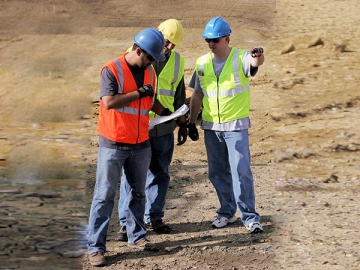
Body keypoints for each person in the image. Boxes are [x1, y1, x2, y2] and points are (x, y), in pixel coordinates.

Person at [87, 28, 170, 267]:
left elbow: (149, 99)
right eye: (151, 57)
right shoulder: (111, 69)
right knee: (104, 196)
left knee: (138, 193)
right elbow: (109, 102)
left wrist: (166, 112)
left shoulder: (150, 71)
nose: (153, 62)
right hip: (113, 144)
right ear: (139, 51)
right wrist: (137, 93)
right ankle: (96, 248)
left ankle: (137, 237)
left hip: (140, 143)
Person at [187, 17, 265, 234]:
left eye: (215, 40)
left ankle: (249, 217)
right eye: (208, 40)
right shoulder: (202, 63)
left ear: (227, 38)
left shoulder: (242, 57)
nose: (211, 44)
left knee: (241, 171)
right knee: (217, 172)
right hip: (211, 128)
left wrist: (259, 55)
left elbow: (255, 64)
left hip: (236, 126)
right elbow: (197, 94)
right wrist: (192, 122)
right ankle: (226, 212)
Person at [117, 19, 187, 241]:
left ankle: (154, 216)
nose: (168, 48)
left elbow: (178, 93)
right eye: (167, 42)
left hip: (164, 128)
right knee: (131, 177)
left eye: (172, 45)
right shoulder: (134, 54)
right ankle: (124, 223)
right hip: (138, 127)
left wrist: (182, 122)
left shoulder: (178, 62)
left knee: (160, 173)